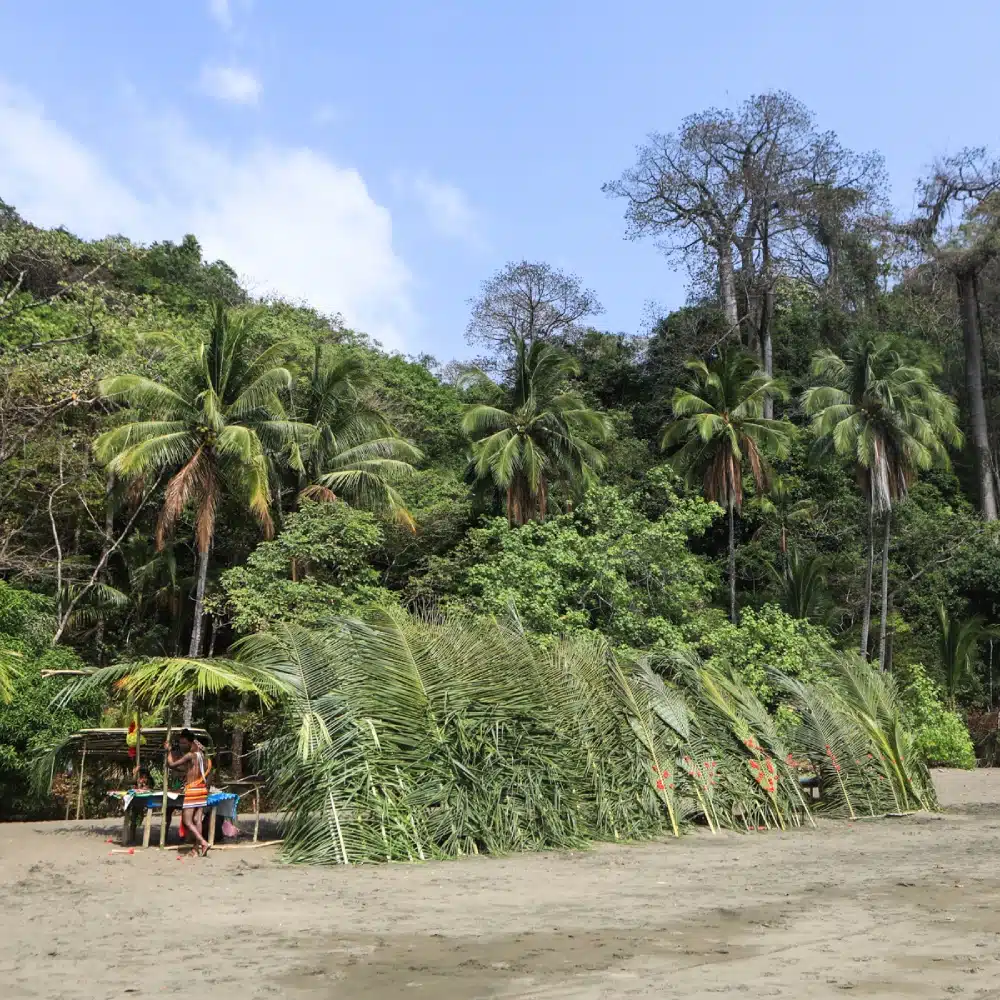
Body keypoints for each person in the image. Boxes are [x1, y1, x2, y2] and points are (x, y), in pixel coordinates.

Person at [165, 729, 213, 857]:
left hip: (193, 790)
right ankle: (195, 849)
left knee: (187, 821)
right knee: (197, 819)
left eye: (184, 743)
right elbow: (189, 770)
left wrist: (168, 750)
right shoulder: (202, 756)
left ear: (191, 742)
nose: (182, 745)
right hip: (202, 789)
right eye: (180, 743)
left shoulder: (190, 755)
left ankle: (203, 842)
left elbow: (172, 764)